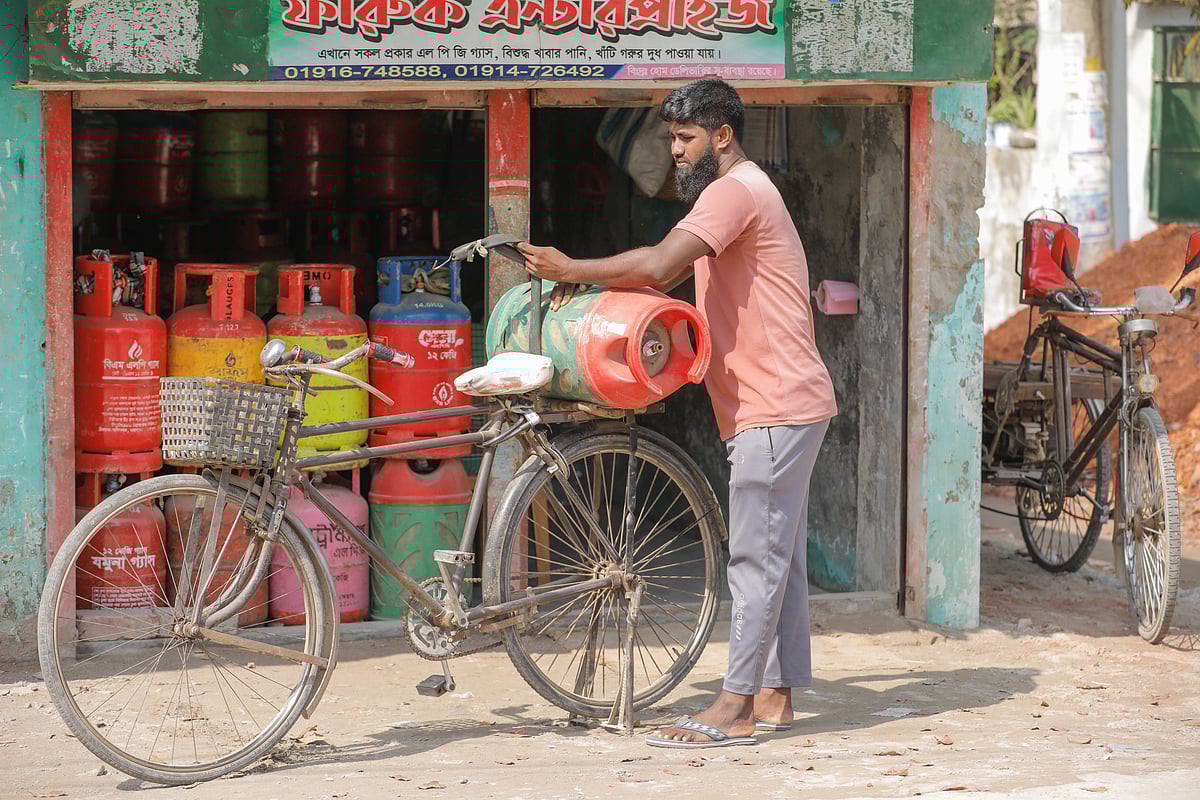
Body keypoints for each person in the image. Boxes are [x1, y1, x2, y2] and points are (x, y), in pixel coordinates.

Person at [517, 78, 837, 749]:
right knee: (780, 556)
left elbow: (660, 267)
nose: (677, 151)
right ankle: (774, 696)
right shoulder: (745, 192)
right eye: (672, 139)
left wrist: (572, 267)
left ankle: (735, 707)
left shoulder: (735, 191)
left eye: (686, 138)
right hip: (783, 403)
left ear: (722, 135)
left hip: (774, 405)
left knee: (755, 557)